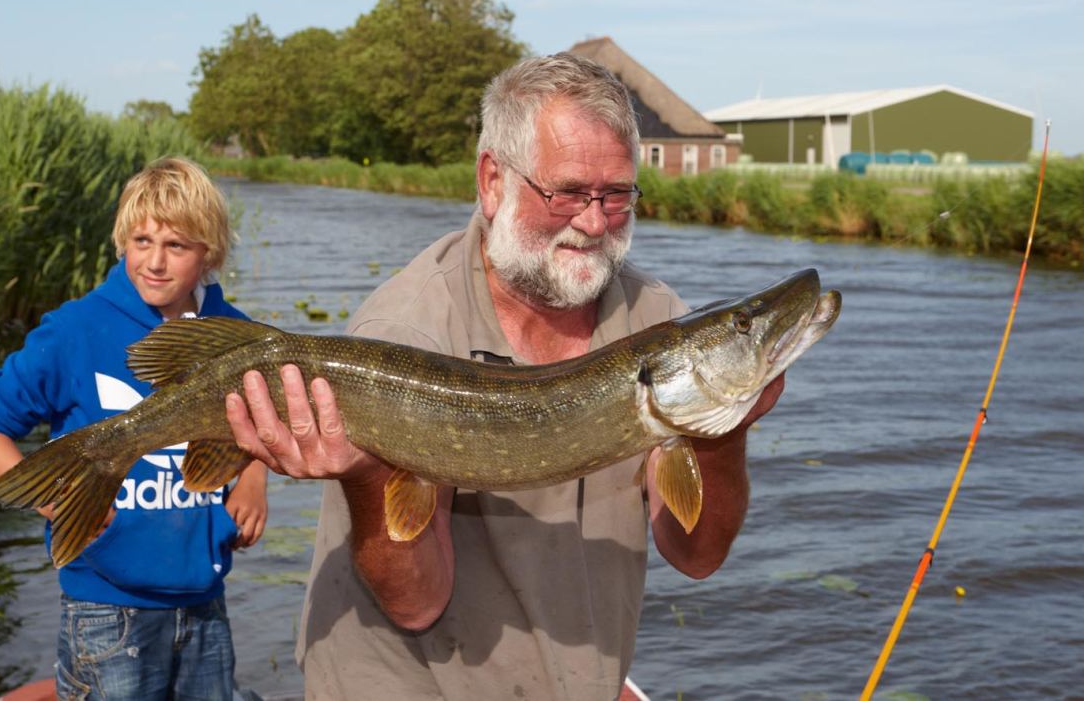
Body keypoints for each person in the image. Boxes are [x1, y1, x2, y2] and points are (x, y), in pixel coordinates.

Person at [225, 53, 784, 701]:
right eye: (569, 192)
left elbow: (697, 554)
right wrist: (371, 471)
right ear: (493, 180)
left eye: (618, 195)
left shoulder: (654, 321)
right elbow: (417, 602)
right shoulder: (409, 328)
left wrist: (720, 430)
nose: (596, 222)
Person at [0, 156, 268, 700]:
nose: (154, 261)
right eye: (142, 240)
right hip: (105, 609)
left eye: (176, 246)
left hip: (203, 602)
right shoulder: (76, 330)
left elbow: (269, 418)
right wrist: (55, 498)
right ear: (123, 239)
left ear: (210, 253)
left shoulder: (238, 336)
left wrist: (252, 478)